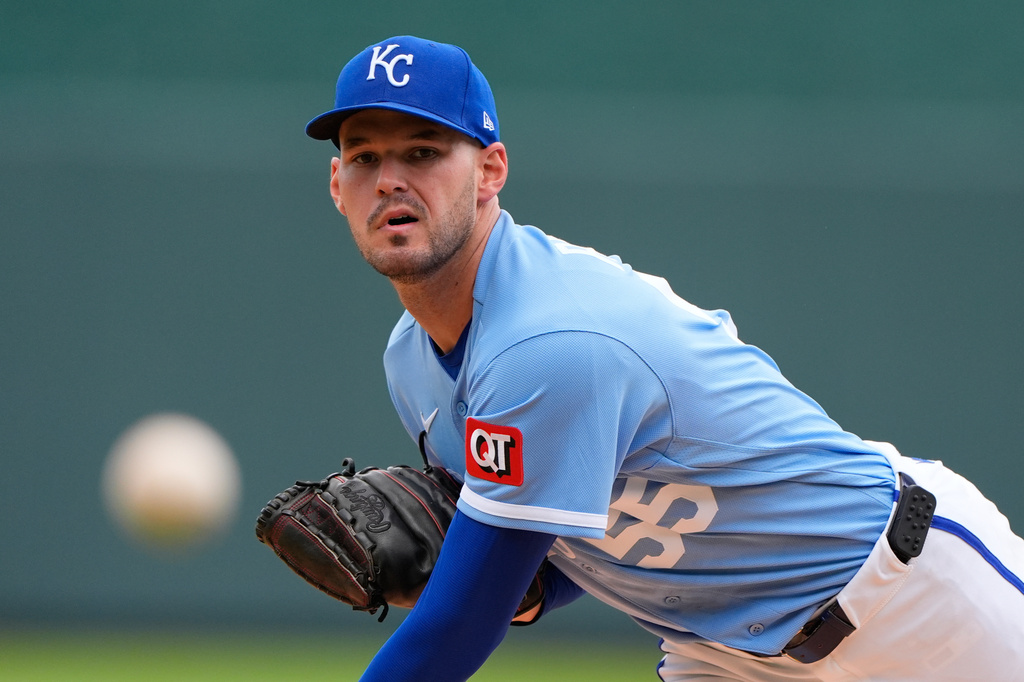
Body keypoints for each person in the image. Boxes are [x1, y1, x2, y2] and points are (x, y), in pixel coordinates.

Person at [304, 35, 1024, 681]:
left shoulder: (546, 344)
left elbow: (460, 626)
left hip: (916, 598)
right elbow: (578, 544)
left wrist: (488, 586)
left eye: (424, 152)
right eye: (364, 156)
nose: (391, 179)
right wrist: (532, 589)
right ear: (338, 188)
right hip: (723, 654)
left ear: (490, 171)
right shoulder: (413, 363)